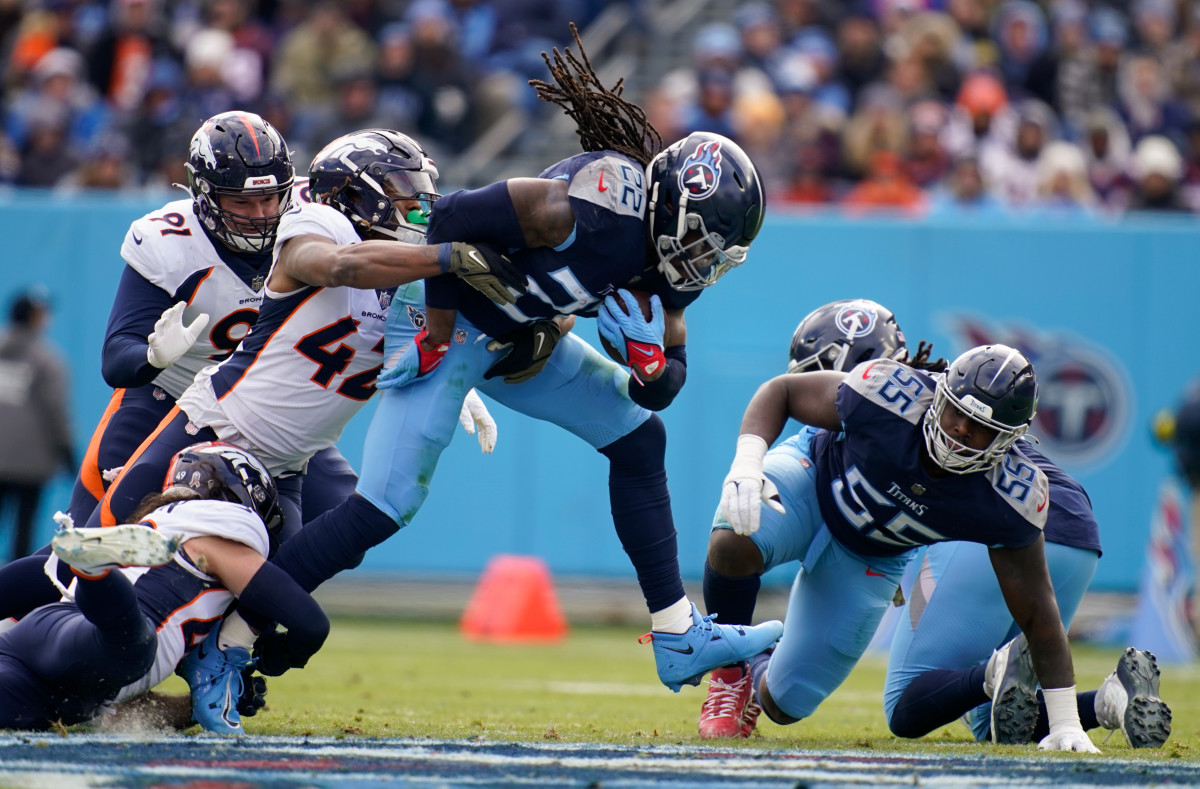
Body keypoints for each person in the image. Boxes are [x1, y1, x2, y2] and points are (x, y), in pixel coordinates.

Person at [205, 25, 782, 707]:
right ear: (677, 211)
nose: (707, 265)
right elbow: (445, 219)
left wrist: (652, 368)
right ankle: (229, 640)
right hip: (447, 323)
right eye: (707, 243)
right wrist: (440, 328)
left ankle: (676, 632)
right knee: (384, 506)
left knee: (638, 437)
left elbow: (663, 390)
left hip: (519, 339)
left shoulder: (668, 265)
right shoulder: (582, 211)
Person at [67, 127, 513, 729]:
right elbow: (340, 265)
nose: (260, 214)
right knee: (86, 553)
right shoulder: (311, 229)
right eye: (242, 202)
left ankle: (207, 656)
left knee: (278, 571)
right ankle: (66, 647)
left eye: (269, 199)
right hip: (183, 402)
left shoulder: (372, 253)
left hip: (289, 447)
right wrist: (153, 355)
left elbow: (417, 331)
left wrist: (444, 384)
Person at [713, 337, 1105, 752]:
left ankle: (756, 653)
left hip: (870, 554)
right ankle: (727, 674)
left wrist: (1065, 722)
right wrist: (747, 462)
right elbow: (784, 390)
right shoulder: (888, 394)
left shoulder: (1011, 495)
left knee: (784, 703)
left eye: (983, 430)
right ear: (941, 395)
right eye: (957, 412)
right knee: (734, 541)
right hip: (815, 483)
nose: (961, 430)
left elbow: (1039, 612)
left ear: (1009, 441)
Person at [0, 441, 327, 735]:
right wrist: (281, 656)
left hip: (54, 657)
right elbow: (310, 622)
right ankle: (92, 568)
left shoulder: (152, 532)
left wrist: (194, 706)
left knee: (116, 658)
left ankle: (91, 568)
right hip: (113, 640)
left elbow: (124, 716)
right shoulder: (214, 540)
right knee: (132, 645)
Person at [0, 286, 75, 562]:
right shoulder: (46, 361)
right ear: (33, 317)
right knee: (23, 530)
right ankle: (11, 598)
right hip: (31, 463)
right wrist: (67, 452)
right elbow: (56, 410)